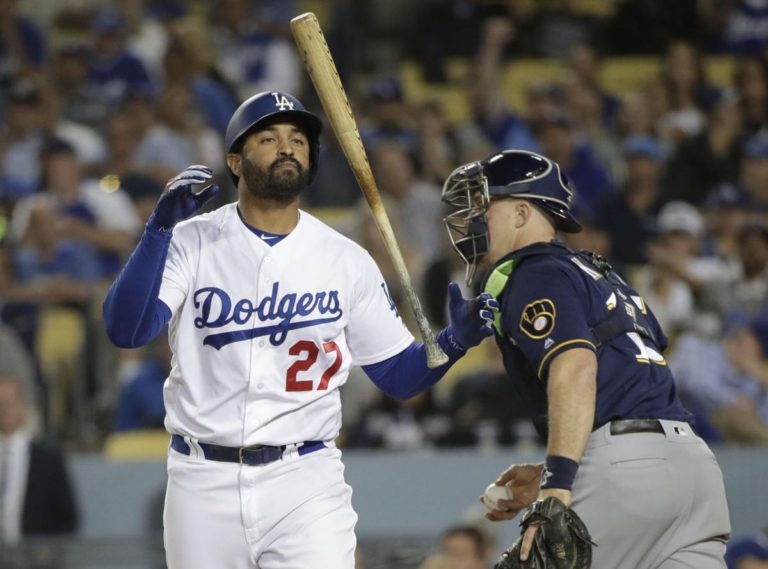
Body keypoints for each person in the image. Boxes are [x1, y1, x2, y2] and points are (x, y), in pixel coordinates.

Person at [102, 90, 497, 569]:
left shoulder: (345, 258)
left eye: (298, 139)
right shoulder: (192, 240)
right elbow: (126, 330)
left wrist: (453, 342)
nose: (288, 147)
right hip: (202, 481)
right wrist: (158, 232)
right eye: (268, 138)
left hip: (305, 478)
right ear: (235, 160)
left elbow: (398, 376)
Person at [440, 149, 731, 568]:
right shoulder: (599, 274)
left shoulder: (533, 270)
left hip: (624, 473)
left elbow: (577, 368)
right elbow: (625, 392)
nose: (472, 219)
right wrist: (549, 472)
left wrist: (556, 486)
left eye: (484, 206)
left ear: (522, 214)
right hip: (693, 470)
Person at [0, 374, 79, 545]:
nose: (3, 409)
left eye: (8, 402)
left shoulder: (48, 459)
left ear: (24, 406)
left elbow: (67, 517)